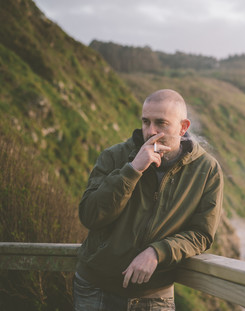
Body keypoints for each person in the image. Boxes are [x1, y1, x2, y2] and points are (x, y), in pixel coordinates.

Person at [74, 89, 224, 311]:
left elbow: (201, 234)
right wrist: (133, 170)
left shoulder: (207, 170)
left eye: (161, 123)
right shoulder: (114, 156)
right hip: (96, 287)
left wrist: (158, 251)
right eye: (146, 122)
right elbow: (90, 216)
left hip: (155, 294)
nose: (150, 131)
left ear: (183, 127)